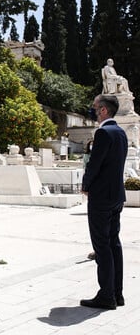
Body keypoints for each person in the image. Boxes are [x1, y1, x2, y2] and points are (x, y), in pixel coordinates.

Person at [80, 94, 128, 309]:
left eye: (95, 107)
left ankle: (106, 296)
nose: (92, 110)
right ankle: (118, 294)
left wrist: (85, 185)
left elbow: (95, 165)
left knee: (102, 246)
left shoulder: (103, 133)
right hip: (117, 195)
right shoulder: (121, 133)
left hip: (101, 198)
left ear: (103, 111)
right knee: (114, 243)